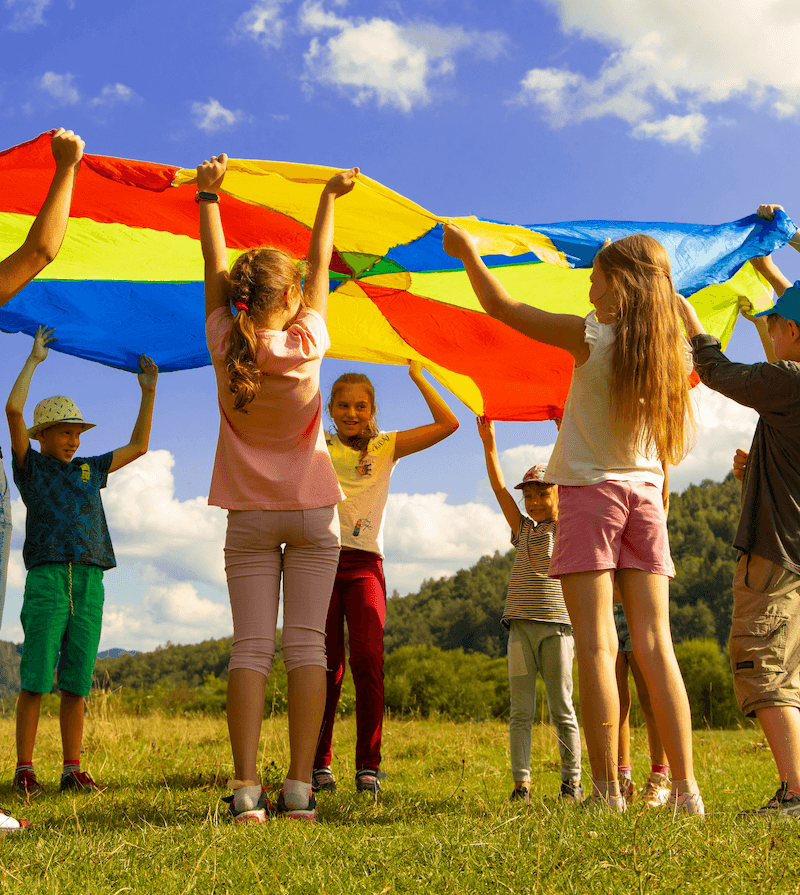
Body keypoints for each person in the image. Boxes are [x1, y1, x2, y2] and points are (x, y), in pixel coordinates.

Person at [443, 223, 703, 814]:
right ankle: (688, 791)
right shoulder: (673, 351)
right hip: (647, 498)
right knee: (659, 645)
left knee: (595, 646)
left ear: (620, 287)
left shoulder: (592, 337)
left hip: (590, 494)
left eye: (597, 275)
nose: (589, 282)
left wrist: (468, 254)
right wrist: (671, 297)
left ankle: (608, 791)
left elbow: (501, 305)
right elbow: (684, 317)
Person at [197, 152, 357, 823]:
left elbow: (212, 271)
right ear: (291, 301)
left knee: (251, 648)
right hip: (314, 513)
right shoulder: (309, 341)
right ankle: (297, 787)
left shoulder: (223, 340)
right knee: (308, 649)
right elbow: (321, 267)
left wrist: (209, 197)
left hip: (248, 518)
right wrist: (328, 198)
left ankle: (243, 788)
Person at [681, 215, 800, 817]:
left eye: (771, 327)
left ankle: (797, 794)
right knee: (790, 670)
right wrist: (762, 257)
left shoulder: (790, 382)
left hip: (775, 554)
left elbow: (721, 373)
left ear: (792, 334)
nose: (767, 335)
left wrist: (687, 317)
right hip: (796, 551)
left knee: (764, 666)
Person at [7, 327, 157, 800]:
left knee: (76, 683)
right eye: (65, 433)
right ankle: (24, 768)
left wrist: (148, 392)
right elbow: (12, 410)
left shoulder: (91, 468)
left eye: (77, 433)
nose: (73, 440)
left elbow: (138, 446)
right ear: (43, 436)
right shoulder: (31, 467)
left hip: (92, 577)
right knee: (35, 679)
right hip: (48, 577)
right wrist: (33, 361)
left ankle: (72, 769)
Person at [312, 365, 459, 794]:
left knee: (368, 662)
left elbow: (448, 424)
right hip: (320, 562)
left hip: (364, 566)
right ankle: (319, 764)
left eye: (361, 405)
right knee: (325, 668)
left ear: (373, 408)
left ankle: (368, 767)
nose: (352, 412)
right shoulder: (317, 443)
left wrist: (419, 375)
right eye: (343, 404)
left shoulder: (385, 446)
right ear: (331, 408)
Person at [0, 128, 83, 834]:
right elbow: (40, 251)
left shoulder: (79, 468)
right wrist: (66, 167)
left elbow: (39, 252)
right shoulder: (34, 461)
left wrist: (65, 172)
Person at [476, 418, 582, 804]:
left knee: (562, 708)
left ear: (558, 494)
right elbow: (500, 489)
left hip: (556, 628)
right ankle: (521, 784)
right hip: (519, 629)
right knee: (520, 710)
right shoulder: (521, 529)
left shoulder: (568, 525)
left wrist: (565, 431)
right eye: (531, 496)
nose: (535, 501)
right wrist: (490, 443)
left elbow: (576, 475)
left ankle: (572, 781)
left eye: (544, 493)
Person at [614, 598, 671, 807]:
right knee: (615, 704)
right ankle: (621, 781)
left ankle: (660, 778)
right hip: (605, 610)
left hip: (638, 608)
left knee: (650, 698)